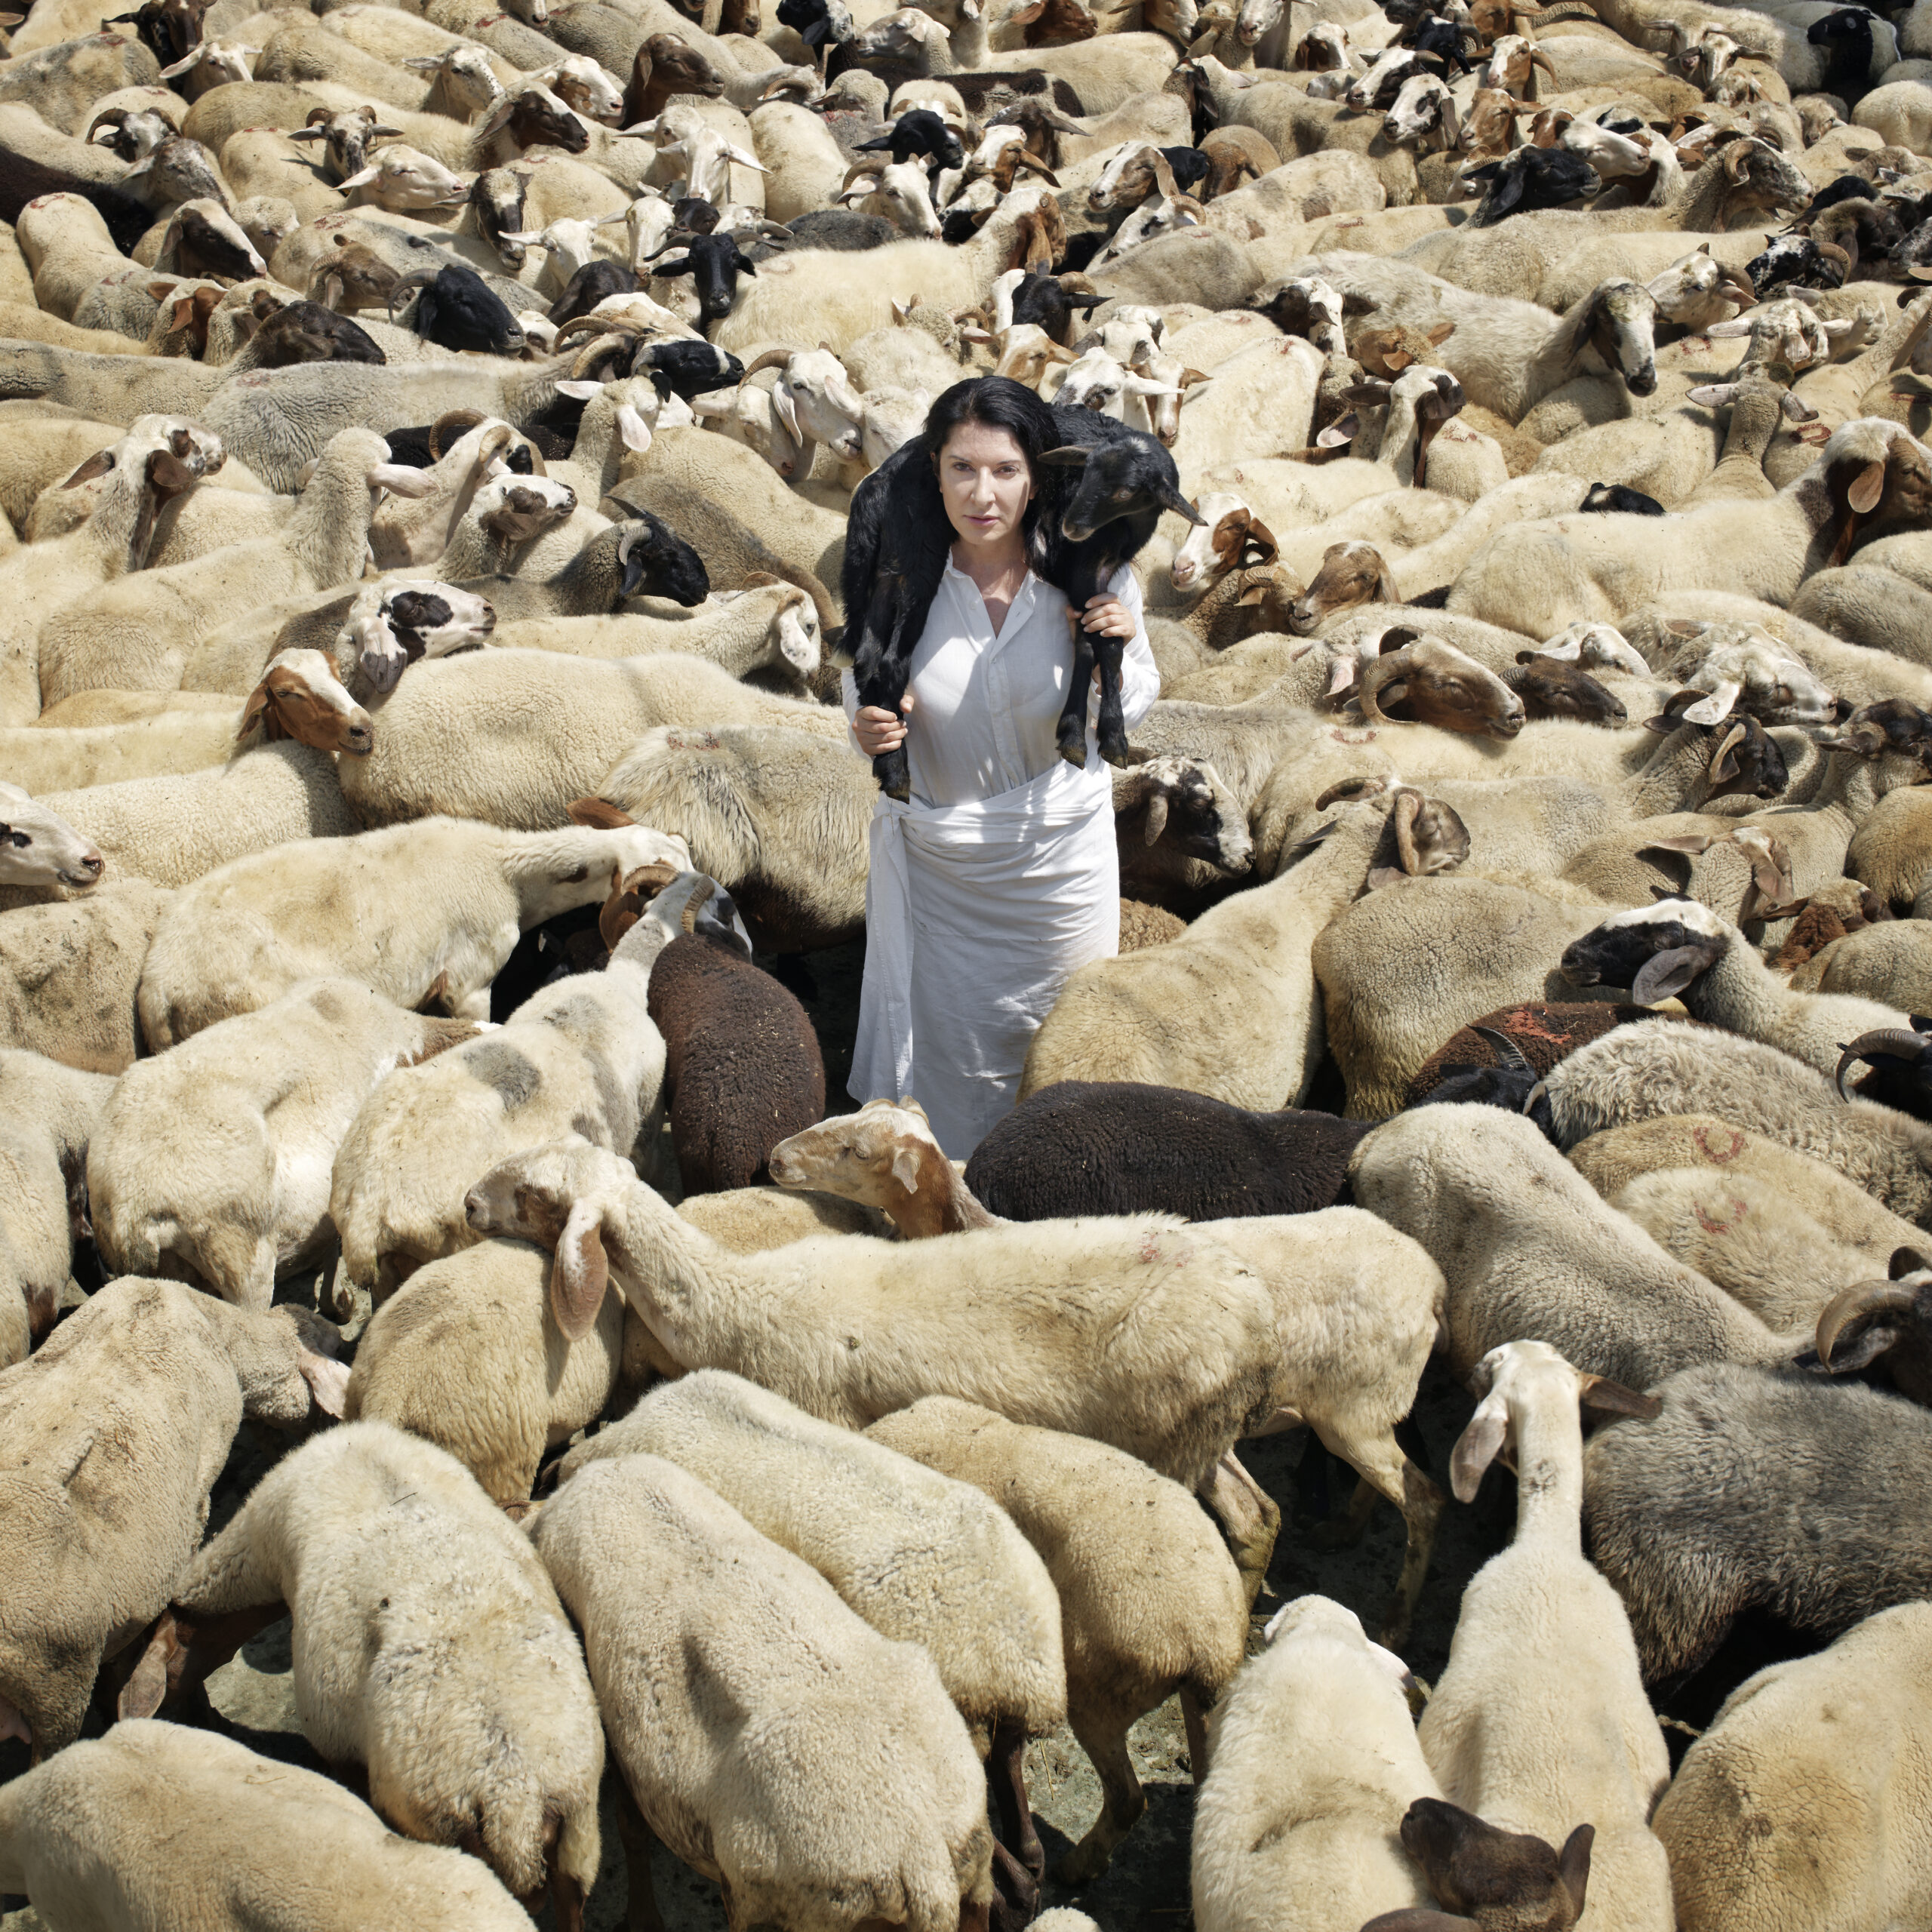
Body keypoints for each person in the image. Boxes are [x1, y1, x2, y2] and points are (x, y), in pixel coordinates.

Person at [843, 375, 1161, 1160]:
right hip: (946, 878)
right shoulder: (901, 585)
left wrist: (1113, 659)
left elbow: (1141, 694)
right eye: (962, 468)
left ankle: (1059, 1198)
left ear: (1036, 476)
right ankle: (953, 1212)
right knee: (951, 1058)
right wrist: (867, 728)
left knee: (1064, 1046)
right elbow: (858, 693)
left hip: (1060, 869)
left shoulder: (1093, 577)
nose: (982, 494)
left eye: (1005, 471)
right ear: (934, 471)